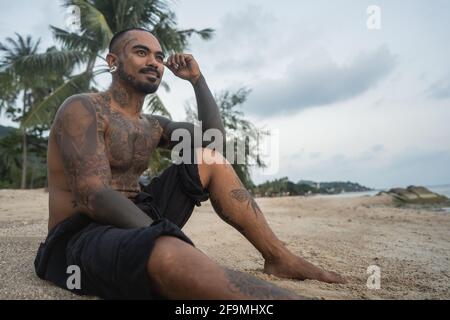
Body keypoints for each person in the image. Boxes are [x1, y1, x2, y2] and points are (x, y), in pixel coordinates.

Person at [34, 28, 345, 300]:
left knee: (209, 159)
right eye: (141, 52)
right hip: (82, 233)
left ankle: (278, 257)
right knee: (169, 256)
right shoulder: (83, 108)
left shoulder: (152, 124)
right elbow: (93, 194)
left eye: (158, 56)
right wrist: (165, 235)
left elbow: (215, 141)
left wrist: (197, 80)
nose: (153, 62)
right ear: (113, 61)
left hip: (140, 210)